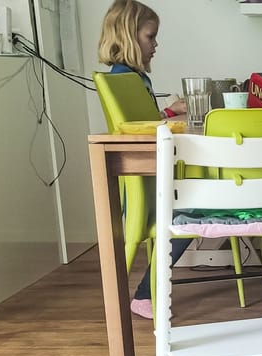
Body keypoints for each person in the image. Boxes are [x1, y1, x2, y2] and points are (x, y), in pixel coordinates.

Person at [97, 0, 187, 320]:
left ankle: (147, 290)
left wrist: (167, 113)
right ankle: (145, 293)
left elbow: (145, 125)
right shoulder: (126, 79)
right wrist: (169, 115)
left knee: (191, 210)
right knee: (189, 216)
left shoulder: (134, 78)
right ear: (127, 36)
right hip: (145, 184)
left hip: (152, 177)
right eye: (150, 37)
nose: (155, 44)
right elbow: (139, 133)